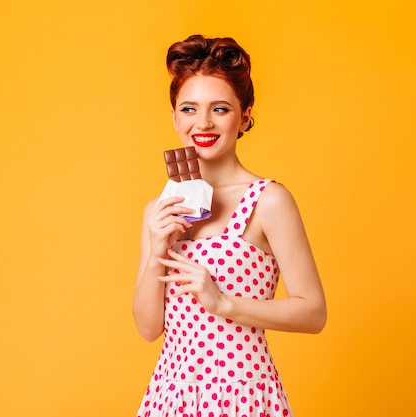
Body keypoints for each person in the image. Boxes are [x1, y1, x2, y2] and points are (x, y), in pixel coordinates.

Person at [133, 34, 327, 417]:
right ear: (174, 116)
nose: (202, 122)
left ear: (245, 115)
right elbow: (148, 328)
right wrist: (158, 253)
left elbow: (313, 312)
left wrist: (222, 303)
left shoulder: (268, 200)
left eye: (219, 109)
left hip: (242, 394)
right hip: (169, 396)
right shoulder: (160, 208)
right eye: (189, 109)